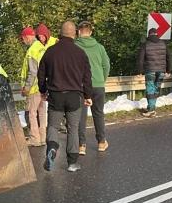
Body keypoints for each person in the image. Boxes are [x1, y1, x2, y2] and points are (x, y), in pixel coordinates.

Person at [37, 20, 92, 172]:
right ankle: (72, 163)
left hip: (56, 96)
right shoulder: (80, 53)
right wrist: (88, 95)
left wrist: (43, 90)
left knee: (54, 126)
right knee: (73, 128)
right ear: (74, 34)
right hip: (74, 96)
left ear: (60, 33)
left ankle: (53, 148)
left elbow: (41, 73)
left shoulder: (50, 51)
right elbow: (87, 77)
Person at [75, 21, 110, 154]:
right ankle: (101, 142)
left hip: (81, 86)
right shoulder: (99, 47)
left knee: (80, 116)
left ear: (79, 31)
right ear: (90, 32)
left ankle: (81, 145)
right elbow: (106, 66)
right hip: (98, 85)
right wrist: (101, 79)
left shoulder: (75, 46)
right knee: (98, 114)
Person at [20, 27, 47, 147]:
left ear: (27, 37)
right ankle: (43, 137)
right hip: (44, 85)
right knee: (42, 112)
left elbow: (32, 72)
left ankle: (34, 138)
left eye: (23, 39)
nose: (23, 42)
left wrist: (26, 87)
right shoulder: (42, 48)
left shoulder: (32, 51)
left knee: (32, 113)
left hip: (34, 87)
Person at [137, 27, 172, 117]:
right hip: (161, 70)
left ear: (148, 35)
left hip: (150, 70)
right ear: (157, 34)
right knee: (156, 88)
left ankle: (151, 110)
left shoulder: (145, 44)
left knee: (150, 89)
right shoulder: (163, 43)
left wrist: (140, 71)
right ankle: (152, 107)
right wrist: (169, 70)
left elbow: (140, 59)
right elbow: (169, 57)